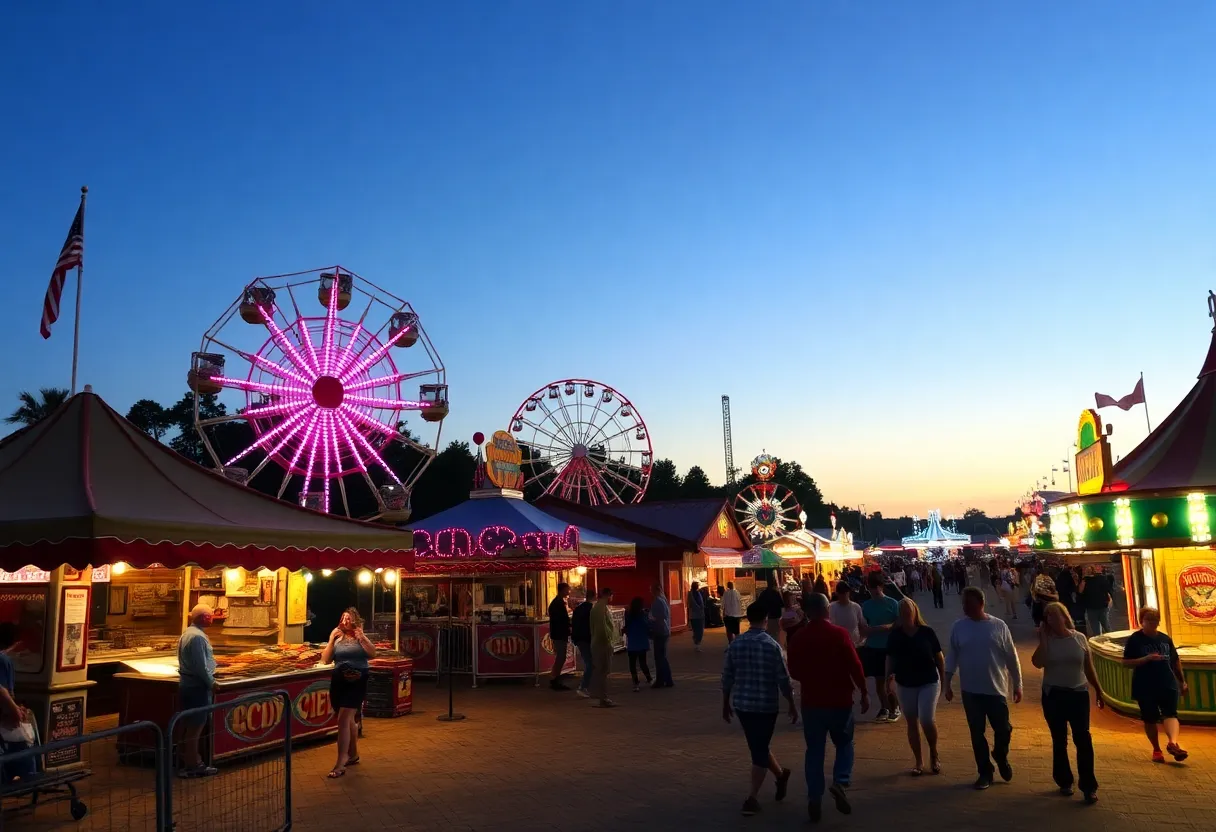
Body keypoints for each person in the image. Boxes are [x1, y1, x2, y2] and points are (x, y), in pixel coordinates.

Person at [788, 593, 869, 823]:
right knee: (844, 743)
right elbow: (855, 665)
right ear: (826, 610)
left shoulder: (799, 637)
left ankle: (814, 796)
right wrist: (863, 691)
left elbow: (793, 671)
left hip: (812, 703)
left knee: (814, 751)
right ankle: (840, 781)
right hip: (839, 700)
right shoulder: (839, 634)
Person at [722, 601, 798, 817]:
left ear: (747, 619)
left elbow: (727, 676)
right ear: (766, 619)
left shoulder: (735, 645)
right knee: (759, 747)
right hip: (766, 706)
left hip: (743, 705)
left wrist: (725, 703)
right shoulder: (772, 646)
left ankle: (759, 791)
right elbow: (783, 680)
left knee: (758, 746)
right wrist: (791, 704)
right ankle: (757, 793)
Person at [944, 587, 1023, 790]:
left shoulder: (998, 626)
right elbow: (952, 655)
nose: (964, 608)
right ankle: (984, 772)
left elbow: (1011, 657)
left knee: (1003, 729)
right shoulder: (959, 627)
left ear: (980, 603)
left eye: (968, 604)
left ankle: (1000, 755)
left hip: (996, 689)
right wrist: (947, 681)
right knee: (977, 733)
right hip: (971, 690)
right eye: (963, 604)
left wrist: (1018, 684)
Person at [1031, 602, 1103, 803]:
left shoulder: (1079, 638)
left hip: (1078, 694)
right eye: (1047, 617)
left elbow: (1088, 668)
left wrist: (1098, 690)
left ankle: (1089, 786)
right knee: (1059, 739)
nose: (1051, 619)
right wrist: (1044, 639)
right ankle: (1064, 780)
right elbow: (1037, 662)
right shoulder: (1048, 641)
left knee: (1083, 739)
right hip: (1054, 695)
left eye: (1054, 615)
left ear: (1064, 616)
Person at [885, 598, 945, 776]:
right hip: (905, 682)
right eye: (902, 611)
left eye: (908, 610)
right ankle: (919, 761)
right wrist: (888, 679)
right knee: (911, 721)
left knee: (926, 719)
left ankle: (934, 753)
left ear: (914, 612)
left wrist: (944, 679)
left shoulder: (926, 632)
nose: (905, 613)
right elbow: (890, 658)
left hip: (928, 681)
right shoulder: (895, 635)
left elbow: (939, 657)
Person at [1122, 607, 1189, 763]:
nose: (1152, 623)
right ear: (1142, 621)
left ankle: (1173, 743)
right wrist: (1145, 659)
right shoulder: (1135, 639)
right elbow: (1125, 662)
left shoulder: (1165, 639)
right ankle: (1156, 749)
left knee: (1170, 713)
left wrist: (1182, 681)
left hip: (1167, 681)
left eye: (1155, 620)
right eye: (1149, 620)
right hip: (1145, 684)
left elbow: (1175, 661)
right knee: (1150, 718)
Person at [322, 607, 376, 778]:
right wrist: (331, 640)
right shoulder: (337, 636)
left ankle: (340, 762)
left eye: (349, 618)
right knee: (347, 719)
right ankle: (353, 755)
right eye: (343, 617)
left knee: (344, 718)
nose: (345, 621)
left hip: (357, 680)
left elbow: (372, 653)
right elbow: (325, 659)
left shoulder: (360, 636)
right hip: (339, 680)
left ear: (355, 621)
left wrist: (362, 638)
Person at [177, 604, 218, 778]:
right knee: (196, 726)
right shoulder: (198, 638)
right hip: (196, 686)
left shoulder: (187, 633)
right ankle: (193, 765)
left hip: (188, 684)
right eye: (210, 616)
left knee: (188, 725)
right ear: (203, 617)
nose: (212, 619)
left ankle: (186, 759)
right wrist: (212, 682)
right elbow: (201, 666)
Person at [860, 572, 901, 722]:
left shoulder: (892, 603)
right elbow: (863, 626)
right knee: (878, 681)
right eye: (871, 588)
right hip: (873, 646)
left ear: (881, 587)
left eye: (876, 587)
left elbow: (898, 623)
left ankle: (894, 707)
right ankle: (884, 707)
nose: (874, 591)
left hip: (889, 647)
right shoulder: (866, 606)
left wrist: (885, 627)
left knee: (890, 681)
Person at [0, 622, 35, 783]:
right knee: (19, 748)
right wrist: (14, 709)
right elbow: (4, 690)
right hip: (4, 717)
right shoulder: (4, 660)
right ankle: (25, 777)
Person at [590, 587, 616, 707]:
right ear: (608, 595)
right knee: (603, 671)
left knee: (601, 671)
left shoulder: (597, 607)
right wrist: (608, 641)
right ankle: (603, 698)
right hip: (602, 643)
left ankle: (601, 696)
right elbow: (602, 628)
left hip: (598, 642)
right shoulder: (601, 608)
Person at [622, 597, 652, 691]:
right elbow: (648, 627)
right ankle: (649, 678)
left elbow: (626, 629)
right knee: (643, 662)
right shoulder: (643, 615)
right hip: (642, 642)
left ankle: (636, 683)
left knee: (632, 664)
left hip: (632, 644)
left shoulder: (629, 616)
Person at [547, 582, 572, 691]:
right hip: (559, 634)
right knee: (560, 657)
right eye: (567, 590)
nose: (568, 592)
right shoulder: (557, 604)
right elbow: (560, 620)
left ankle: (555, 677)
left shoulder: (559, 602)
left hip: (560, 633)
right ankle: (554, 678)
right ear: (562, 590)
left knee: (561, 657)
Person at [649, 582, 674, 688]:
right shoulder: (663, 600)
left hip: (660, 631)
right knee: (662, 656)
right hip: (664, 631)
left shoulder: (658, 601)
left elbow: (659, 616)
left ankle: (661, 680)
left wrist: (652, 622)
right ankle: (667, 679)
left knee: (659, 657)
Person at [571, 592, 595, 698]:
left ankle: (586, 686)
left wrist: (575, 638)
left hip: (580, 639)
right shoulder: (593, 610)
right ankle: (583, 686)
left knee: (589, 662)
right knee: (590, 663)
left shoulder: (578, 610)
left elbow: (574, 624)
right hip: (588, 638)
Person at [1078, 568, 1113, 637]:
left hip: (1094, 606)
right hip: (1098, 606)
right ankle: (1111, 640)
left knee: (1099, 627)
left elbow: (1080, 591)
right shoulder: (1100, 578)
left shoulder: (1086, 580)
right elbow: (1107, 590)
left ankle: (1102, 642)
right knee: (1104, 626)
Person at [829, 581, 865, 648]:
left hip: (854, 645)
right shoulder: (831, 607)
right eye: (841, 593)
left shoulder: (856, 607)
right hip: (837, 645)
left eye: (845, 592)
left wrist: (860, 641)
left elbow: (862, 626)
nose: (844, 595)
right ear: (837, 594)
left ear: (848, 592)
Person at [757, 576, 784, 640]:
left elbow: (759, 605)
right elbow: (781, 605)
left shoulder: (763, 594)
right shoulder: (776, 593)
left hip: (767, 617)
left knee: (768, 634)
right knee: (776, 634)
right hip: (776, 617)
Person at [687, 581, 706, 652]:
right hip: (697, 615)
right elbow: (693, 604)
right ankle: (697, 644)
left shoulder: (696, 593)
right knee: (698, 630)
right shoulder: (693, 594)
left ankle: (697, 643)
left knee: (697, 630)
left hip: (696, 615)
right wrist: (700, 608)